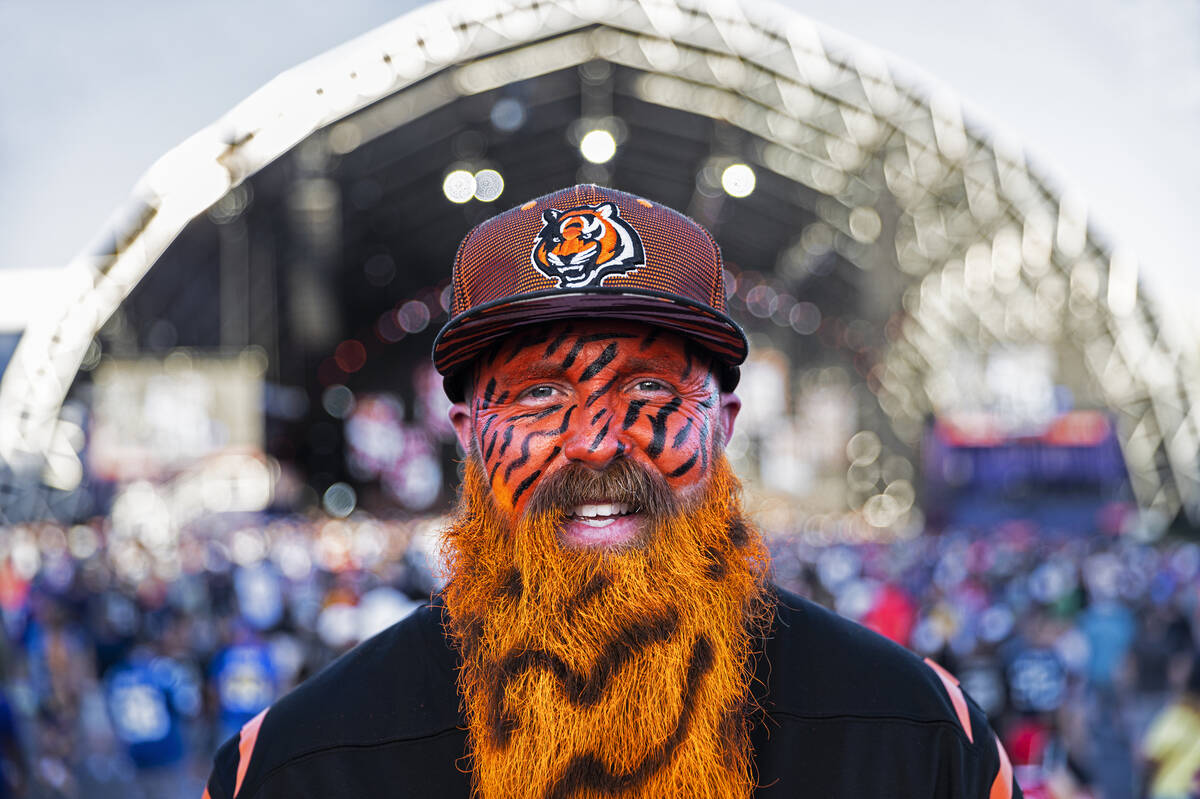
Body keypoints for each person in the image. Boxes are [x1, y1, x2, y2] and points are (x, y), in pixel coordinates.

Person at [203, 185, 1021, 798]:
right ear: (467, 433)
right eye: (539, 396)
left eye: (649, 392)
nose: (596, 438)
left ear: (722, 422)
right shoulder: (300, 768)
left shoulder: (915, 739)